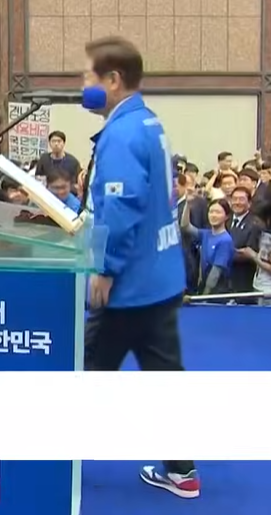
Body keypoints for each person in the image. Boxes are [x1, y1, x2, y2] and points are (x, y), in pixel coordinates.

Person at [78, 36, 200, 499]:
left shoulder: (123, 134)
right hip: (160, 277)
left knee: (88, 370)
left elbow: (121, 206)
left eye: (87, 77)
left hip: (128, 285)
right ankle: (182, 471)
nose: (82, 87)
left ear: (112, 80)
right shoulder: (148, 121)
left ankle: (47, 466)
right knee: (164, 379)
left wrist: (106, 268)